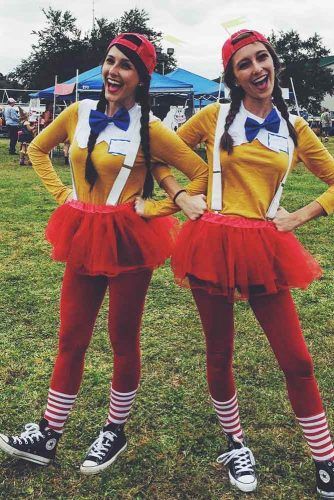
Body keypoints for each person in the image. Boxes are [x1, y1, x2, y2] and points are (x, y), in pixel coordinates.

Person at [0, 33, 208, 475]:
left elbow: (202, 171)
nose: (114, 71)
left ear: (141, 78)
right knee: (71, 335)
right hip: (81, 232)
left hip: (129, 240)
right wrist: (62, 195)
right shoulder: (77, 112)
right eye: (110, 61)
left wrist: (156, 207)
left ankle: (114, 430)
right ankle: (49, 433)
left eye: (126, 66)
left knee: (121, 337)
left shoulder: (150, 129)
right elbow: (38, 148)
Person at [140, 29, 334, 497]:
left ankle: (325, 458)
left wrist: (302, 215)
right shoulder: (213, 116)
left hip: (266, 248)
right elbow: (154, 154)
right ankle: (236, 442)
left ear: (274, 62)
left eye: (261, 58)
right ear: (233, 75)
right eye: (244, 64)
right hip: (212, 243)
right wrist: (180, 195)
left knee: (298, 361)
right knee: (220, 352)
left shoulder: (297, 128)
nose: (256, 69)